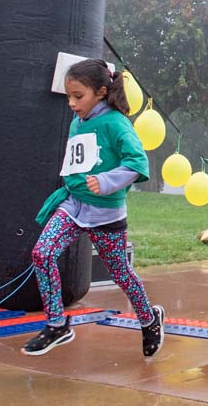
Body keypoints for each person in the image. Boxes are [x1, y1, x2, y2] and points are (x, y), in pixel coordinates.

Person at [22, 58, 164, 357]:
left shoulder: (116, 123)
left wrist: (108, 180)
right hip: (74, 206)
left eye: (78, 96)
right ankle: (57, 324)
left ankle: (149, 320)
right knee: (42, 252)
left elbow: (137, 163)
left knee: (121, 274)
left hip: (106, 213)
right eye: (69, 97)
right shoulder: (78, 121)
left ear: (101, 91)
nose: (72, 104)